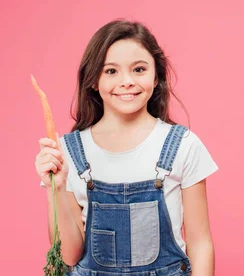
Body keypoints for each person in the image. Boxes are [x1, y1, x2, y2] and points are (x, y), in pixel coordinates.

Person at [35, 20, 217, 275]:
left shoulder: (183, 145)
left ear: (156, 78)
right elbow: (69, 254)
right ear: (94, 81)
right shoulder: (67, 152)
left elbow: (200, 243)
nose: (127, 81)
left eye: (139, 69)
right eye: (111, 71)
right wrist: (57, 186)